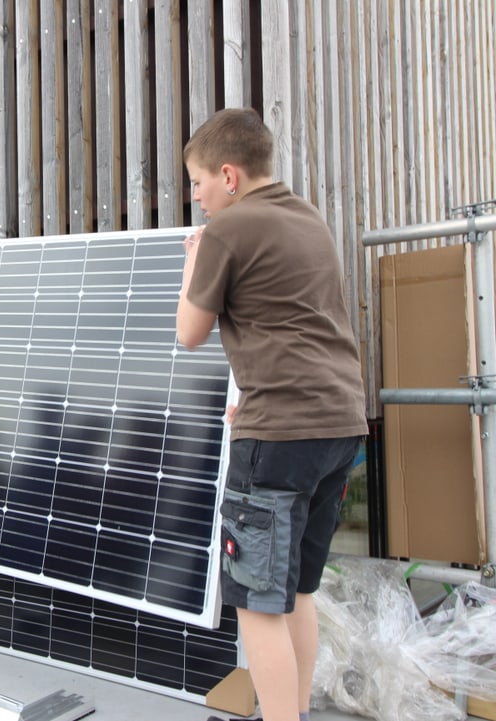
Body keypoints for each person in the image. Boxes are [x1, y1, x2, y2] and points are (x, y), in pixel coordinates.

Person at [176, 108, 367, 721]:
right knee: (297, 591)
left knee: (258, 604)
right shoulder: (307, 216)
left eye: (199, 182)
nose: (197, 197)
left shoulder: (227, 231)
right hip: (337, 426)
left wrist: (193, 256)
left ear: (229, 176)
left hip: (280, 439)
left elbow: (189, 333)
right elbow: (297, 323)